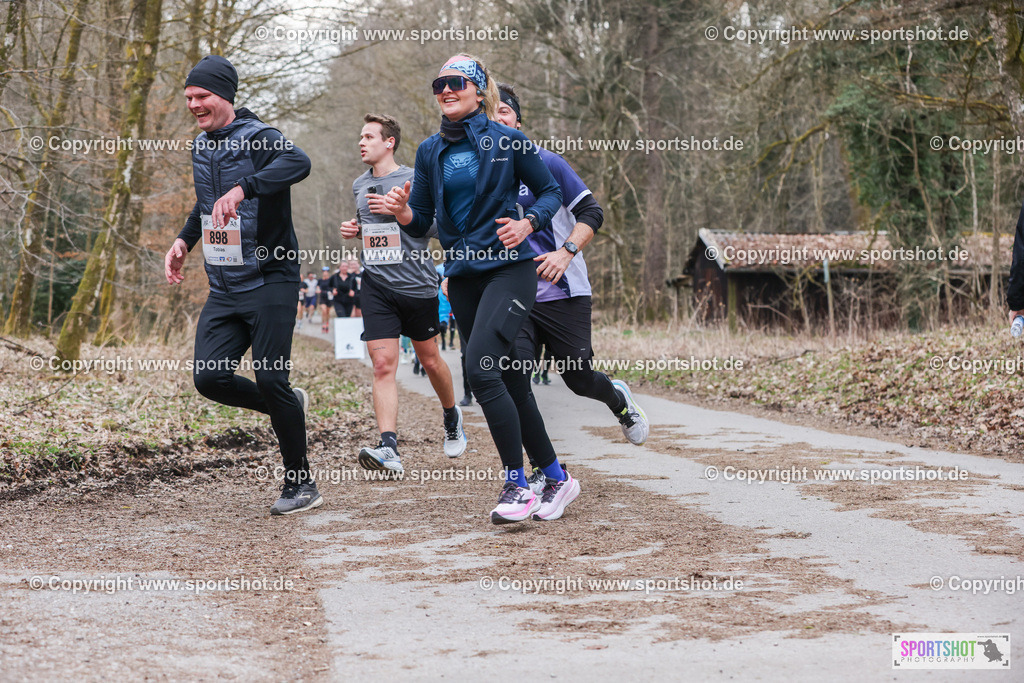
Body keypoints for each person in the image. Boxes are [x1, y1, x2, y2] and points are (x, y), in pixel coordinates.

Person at [384, 54, 578, 524]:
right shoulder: (430, 151)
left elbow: (551, 192)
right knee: (510, 378)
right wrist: (403, 213)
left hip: (509, 270)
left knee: (480, 367)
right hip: (464, 276)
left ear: (478, 90)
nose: (445, 91)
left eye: (455, 83)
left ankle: (517, 483)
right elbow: (424, 223)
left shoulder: (509, 141)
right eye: (438, 85)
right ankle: (555, 476)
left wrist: (528, 222)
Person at [163, 55, 321, 515]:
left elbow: (300, 161)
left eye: (202, 96)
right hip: (225, 282)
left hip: (271, 276)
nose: (194, 104)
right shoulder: (200, 146)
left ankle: (301, 483)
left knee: (272, 376)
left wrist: (244, 188)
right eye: (189, 97)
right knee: (209, 377)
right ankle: (287, 404)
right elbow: (204, 205)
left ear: (225, 96)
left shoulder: (263, 137)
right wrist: (183, 241)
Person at [339, 112, 467, 474]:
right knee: (382, 365)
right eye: (360, 137)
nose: (362, 143)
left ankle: (451, 413)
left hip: (417, 286)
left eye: (369, 137)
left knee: (430, 360)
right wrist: (356, 229)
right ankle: (389, 448)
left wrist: (403, 211)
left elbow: (443, 229)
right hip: (377, 285)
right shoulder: (359, 185)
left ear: (389, 142)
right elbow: (372, 229)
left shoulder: (416, 178)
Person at [317, 265, 333, 333]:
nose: (325, 273)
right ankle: (323, 324)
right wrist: (317, 290)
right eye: (324, 271)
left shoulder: (331, 280)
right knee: (324, 310)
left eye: (326, 271)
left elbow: (333, 287)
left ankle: (327, 324)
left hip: (329, 297)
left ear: (328, 272)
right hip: (322, 297)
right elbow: (317, 287)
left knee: (327, 312)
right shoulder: (320, 280)